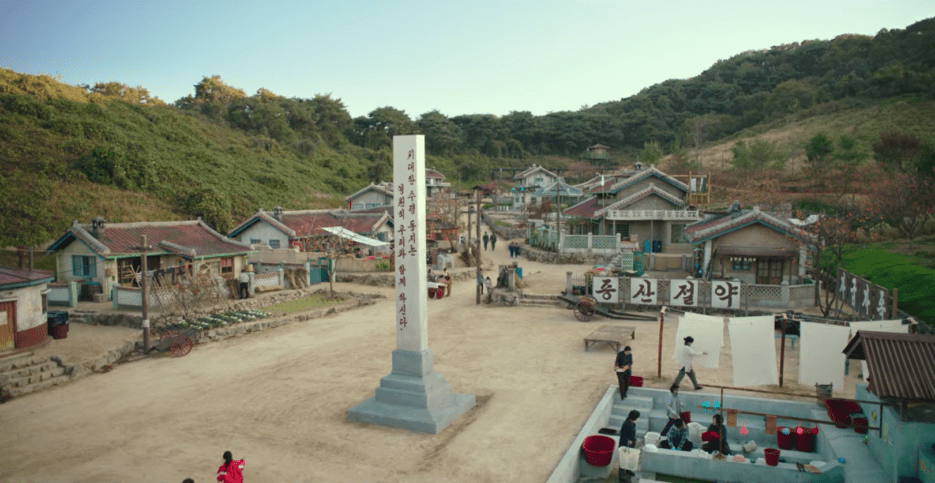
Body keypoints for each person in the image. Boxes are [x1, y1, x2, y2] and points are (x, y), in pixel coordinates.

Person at [618, 410, 640, 483]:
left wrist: (634, 440)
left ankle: (627, 470)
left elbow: (632, 434)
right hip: (625, 445)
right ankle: (621, 476)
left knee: (629, 458)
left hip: (631, 445)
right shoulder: (626, 424)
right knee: (623, 460)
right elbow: (622, 434)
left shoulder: (632, 423)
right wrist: (628, 441)